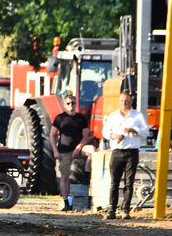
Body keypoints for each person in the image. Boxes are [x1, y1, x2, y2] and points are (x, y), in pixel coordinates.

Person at [102, 91, 150, 220]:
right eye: (122, 100)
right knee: (114, 183)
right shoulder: (113, 116)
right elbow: (105, 131)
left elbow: (146, 131)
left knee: (129, 183)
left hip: (131, 152)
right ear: (119, 102)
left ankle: (125, 210)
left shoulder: (137, 116)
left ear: (131, 101)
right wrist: (114, 136)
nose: (125, 103)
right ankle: (111, 209)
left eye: (127, 100)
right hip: (117, 152)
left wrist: (135, 130)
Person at [50, 94, 91, 212]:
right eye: (68, 103)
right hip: (64, 150)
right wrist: (55, 150)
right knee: (64, 178)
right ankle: (66, 202)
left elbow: (85, 136)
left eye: (73, 103)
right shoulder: (60, 118)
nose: (71, 105)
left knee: (92, 152)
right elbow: (52, 135)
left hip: (78, 148)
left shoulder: (81, 118)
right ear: (64, 105)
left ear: (76, 104)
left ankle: (86, 176)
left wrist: (79, 148)